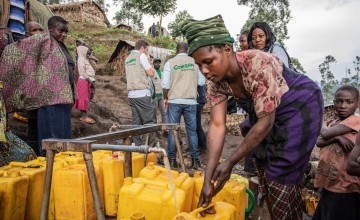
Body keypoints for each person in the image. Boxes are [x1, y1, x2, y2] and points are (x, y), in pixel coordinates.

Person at [181, 15, 323, 219]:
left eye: (208, 62)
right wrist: (207, 178)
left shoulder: (257, 63)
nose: (204, 71)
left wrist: (230, 162)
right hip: (266, 113)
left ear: (227, 50)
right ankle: (278, 205)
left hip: (299, 107)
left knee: (281, 172)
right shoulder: (215, 81)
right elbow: (217, 125)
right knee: (262, 162)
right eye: (199, 65)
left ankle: (287, 205)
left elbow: (266, 123)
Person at [0, 15, 74, 156]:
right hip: (49, 99)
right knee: (51, 141)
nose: (64, 34)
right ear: (50, 29)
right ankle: (47, 166)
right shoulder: (42, 39)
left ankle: (61, 165)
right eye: (61, 31)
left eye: (66, 32)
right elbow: (15, 49)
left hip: (63, 99)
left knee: (63, 140)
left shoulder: (60, 45)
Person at [313, 86, 360, 220]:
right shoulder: (335, 122)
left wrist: (324, 125)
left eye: (348, 102)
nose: (343, 106)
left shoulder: (355, 120)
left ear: (357, 103)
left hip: (345, 186)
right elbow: (319, 142)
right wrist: (337, 138)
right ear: (334, 102)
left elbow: (324, 133)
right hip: (330, 184)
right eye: (339, 101)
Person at [162, 42, 206, 169]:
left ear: (176, 50)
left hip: (174, 101)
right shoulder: (194, 63)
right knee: (192, 131)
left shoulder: (170, 63)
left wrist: (166, 97)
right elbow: (202, 81)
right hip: (191, 102)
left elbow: (165, 85)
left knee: (172, 131)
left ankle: (171, 160)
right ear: (187, 50)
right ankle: (195, 161)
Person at [125, 39, 156, 147]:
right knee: (150, 122)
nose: (146, 51)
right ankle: (150, 148)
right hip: (142, 93)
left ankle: (137, 146)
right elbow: (151, 73)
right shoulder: (141, 56)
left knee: (136, 123)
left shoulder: (127, 58)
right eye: (146, 49)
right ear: (142, 47)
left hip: (131, 95)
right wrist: (149, 61)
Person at [25, 21, 44, 155]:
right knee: (33, 124)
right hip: (31, 95)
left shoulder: (48, 49)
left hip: (46, 97)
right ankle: (34, 154)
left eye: (40, 30)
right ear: (27, 34)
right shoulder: (22, 50)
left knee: (44, 125)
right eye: (34, 30)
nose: (37, 33)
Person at [74, 45, 96, 124]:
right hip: (84, 80)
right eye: (87, 53)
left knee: (86, 98)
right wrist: (90, 82)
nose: (88, 55)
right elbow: (82, 72)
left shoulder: (83, 59)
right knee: (84, 98)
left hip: (86, 80)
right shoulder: (81, 59)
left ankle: (84, 116)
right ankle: (83, 117)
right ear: (82, 52)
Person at [152, 58, 167, 126]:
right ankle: (155, 128)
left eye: (159, 63)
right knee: (154, 112)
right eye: (156, 63)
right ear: (153, 64)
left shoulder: (162, 73)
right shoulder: (151, 72)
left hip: (162, 95)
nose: (158, 64)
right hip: (154, 96)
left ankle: (165, 128)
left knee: (163, 112)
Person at [196, 83, 207, 152]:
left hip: (198, 101)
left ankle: (203, 146)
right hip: (201, 100)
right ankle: (202, 146)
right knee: (197, 125)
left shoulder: (198, 75)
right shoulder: (201, 75)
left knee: (197, 126)